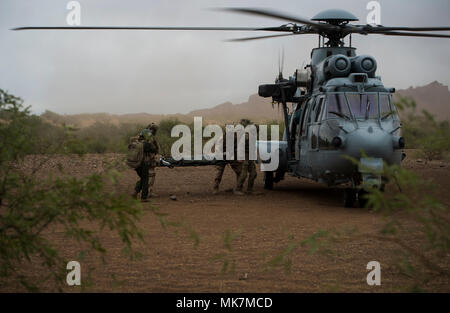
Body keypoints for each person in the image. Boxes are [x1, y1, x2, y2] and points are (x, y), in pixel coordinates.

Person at [132, 125, 159, 202]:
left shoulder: (135, 142)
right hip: (143, 163)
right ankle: (144, 197)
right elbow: (155, 150)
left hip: (135, 164)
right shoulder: (147, 144)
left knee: (143, 178)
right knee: (145, 179)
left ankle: (135, 192)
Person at [212, 128, 242, 195]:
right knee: (218, 173)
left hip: (231, 156)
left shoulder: (235, 138)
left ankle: (238, 188)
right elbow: (218, 150)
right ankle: (215, 188)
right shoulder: (221, 138)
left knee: (240, 171)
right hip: (222, 157)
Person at [234, 119, 257, 195]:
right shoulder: (246, 136)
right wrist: (240, 157)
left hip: (250, 155)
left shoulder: (253, 136)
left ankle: (249, 189)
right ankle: (238, 189)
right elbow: (241, 146)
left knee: (253, 173)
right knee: (244, 174)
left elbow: (253, 147)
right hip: (244, 155)